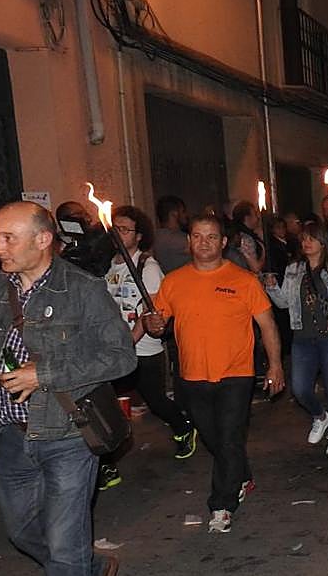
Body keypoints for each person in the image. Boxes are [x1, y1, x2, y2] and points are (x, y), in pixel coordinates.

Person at [0, 202, 136, 576]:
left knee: (63, 546)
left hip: (66, 435)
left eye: (8, 238)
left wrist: (45, 374)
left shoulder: (82, 291)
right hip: (8, 437)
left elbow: (121, 356)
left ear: (43, 240)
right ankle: (94, 568)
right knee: (25, 533)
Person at [142, 214, 284, 534]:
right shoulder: (174, 281)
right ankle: (242, 475)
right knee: (214, 438)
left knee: (230, 438)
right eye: (197, 236)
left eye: (211, 237)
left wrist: (275, 365)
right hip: (192, 377)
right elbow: (157, 320)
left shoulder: (244, 280)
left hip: (236, 375)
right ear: (189, 241)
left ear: (222, 242)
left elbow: (267, 325)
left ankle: (221, 504)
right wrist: (152, 324)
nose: (203, 242)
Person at [99, 205, 196, 490]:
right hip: (111, 348)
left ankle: (182, 427)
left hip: (143, 348)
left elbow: (151, 308)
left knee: (155, 401)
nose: (118, 234)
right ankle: (106, 464)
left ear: (139, 236)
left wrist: (130, 340)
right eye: (115, 228)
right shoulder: (106, 264)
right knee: (103, 408)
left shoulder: (147, 266)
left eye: (125, 229)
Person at [265, 222, 328, 455]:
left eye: (311, 238)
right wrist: (271, 288)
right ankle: (320, 416)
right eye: (303, 239)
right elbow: (284, 303)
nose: (306, 243)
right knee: (299, 388)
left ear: (323, 243)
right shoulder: (293, 270)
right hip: (302, 336)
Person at [153, 195, 190, 274]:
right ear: (174, 214)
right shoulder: (171, 238)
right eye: (183, 211)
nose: (186, 215)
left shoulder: (158, 235)